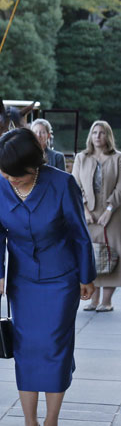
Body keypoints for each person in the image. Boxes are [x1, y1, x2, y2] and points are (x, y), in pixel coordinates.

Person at [0, 128, 95, 426]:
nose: (7, 179)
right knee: (27, 350)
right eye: (3, 172)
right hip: (22, 280)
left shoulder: (61, 183)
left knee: (56, 348)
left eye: (14, 175)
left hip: (61, 279)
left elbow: (79, 233)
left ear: (34, 166)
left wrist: (87, 276)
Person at [72, 120, 121, 312]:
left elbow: (120, 187)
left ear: (108, 136)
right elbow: (75, 184)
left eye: (101, 133)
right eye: (94, 133)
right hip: (88, 214)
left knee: (112, 254)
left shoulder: (118, 158)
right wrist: (84, 209)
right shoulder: (81, 158)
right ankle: (93, 300)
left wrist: (109, 209)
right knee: (91, 255)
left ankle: (106, 301)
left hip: (113, 213)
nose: (98, 136)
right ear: (90, 136)